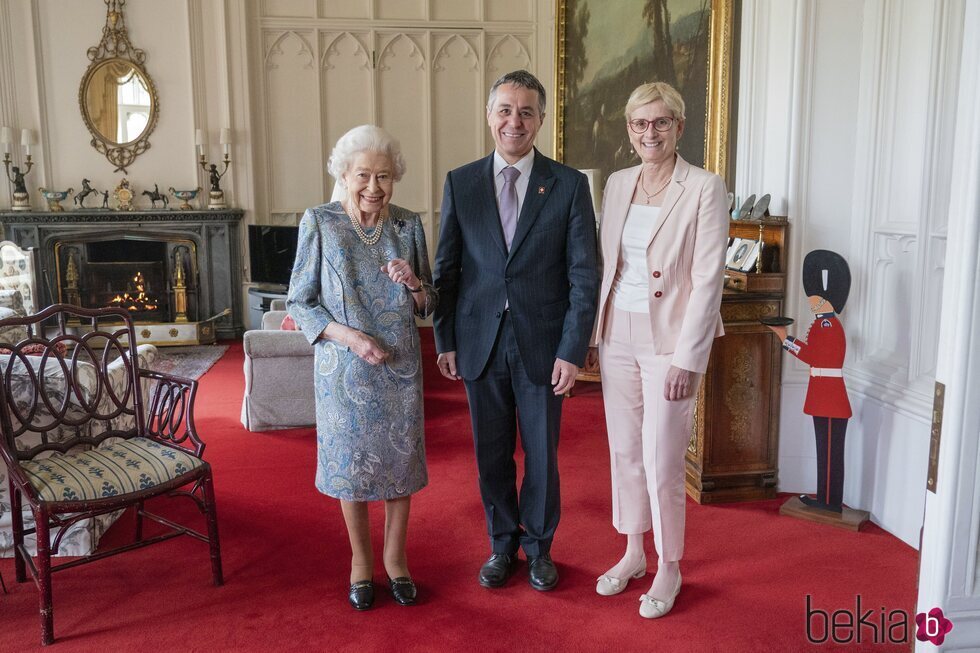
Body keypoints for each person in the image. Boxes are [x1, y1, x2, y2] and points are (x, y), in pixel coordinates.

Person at [432, 70, 599, 592]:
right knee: (491, 452)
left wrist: (573, 349)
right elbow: (447, 270)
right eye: (505, 110)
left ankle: (540, 548)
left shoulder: (569, 184)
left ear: (541, 120)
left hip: (544, 346)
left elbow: (583, 275)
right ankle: (501, 545)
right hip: (479, 342)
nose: (515, 121)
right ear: (489, 116)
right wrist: (446, 340)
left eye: (526, 112)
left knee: (543, 454)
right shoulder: (461, 182)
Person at [586, 81, 728, 618]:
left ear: (679, 128)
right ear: (629, 130)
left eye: (661, 123)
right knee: (623, 451)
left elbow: (708, 277)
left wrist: (689, 359)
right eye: (641, 124)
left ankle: (670, 566)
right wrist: (595, 335)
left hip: (670, 338)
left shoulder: (705, 187)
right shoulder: (618, 183)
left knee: (662, 458)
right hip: (617, 329)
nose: (651, 132)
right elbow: (610, 265)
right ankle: (632, 552)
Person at [286, 124, 436, 611]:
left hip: (399, 370)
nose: (374, 187)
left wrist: (414, 283)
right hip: (344, 371)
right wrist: (349, 337)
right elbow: (300, 302)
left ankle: (396, 560)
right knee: (350, 469)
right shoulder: (320, 222)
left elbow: (428, 303)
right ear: (344, 175)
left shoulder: (408, 226)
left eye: (385, 176)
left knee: (399, 466)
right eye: (364, 175)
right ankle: (360, 561)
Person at [766, 250, 852, 513]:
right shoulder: (823, 323)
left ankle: (829, 502)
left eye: (814, 300)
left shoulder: (828, 326)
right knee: (826, 450)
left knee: (829, 452)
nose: (811, 304)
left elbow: (814, 356)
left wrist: (784, 339)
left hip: (829, 396)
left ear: (825, 301)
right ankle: (826, 498)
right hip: (825, 394)